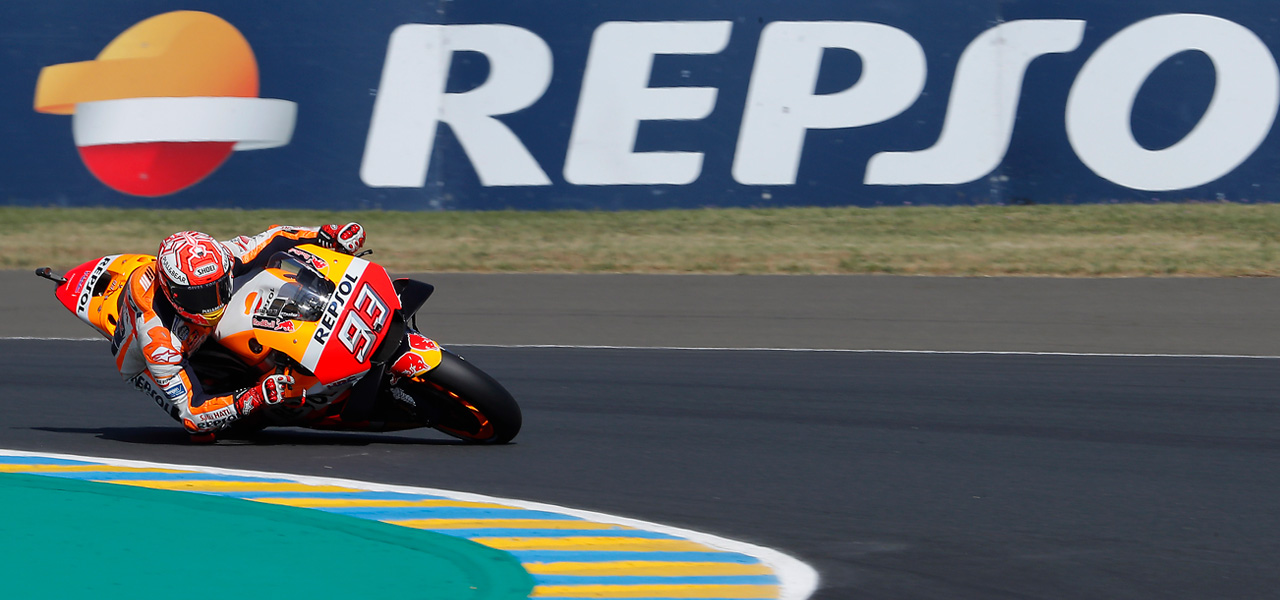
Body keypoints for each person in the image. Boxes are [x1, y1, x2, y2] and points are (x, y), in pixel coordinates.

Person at [112, 223, 367, 439]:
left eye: (217, 288)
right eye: (200, 297)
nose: (211, 304)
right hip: (152, 361)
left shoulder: (220, 257)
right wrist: (255, 397)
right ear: (173, 293)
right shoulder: (158, 340)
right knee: (206, 433)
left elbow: (274, 239)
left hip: (200, 325)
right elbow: (193, 411)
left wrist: (326, 235)